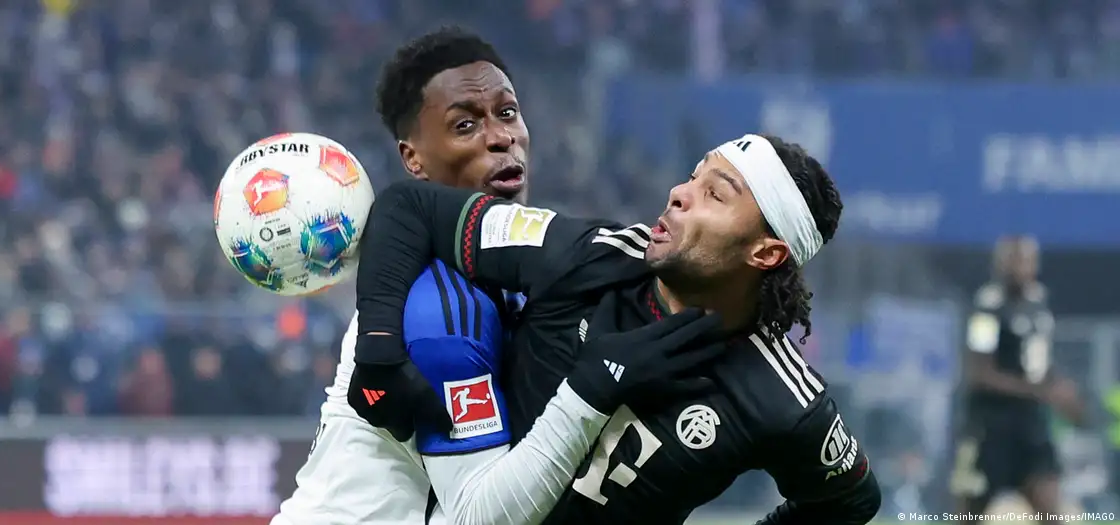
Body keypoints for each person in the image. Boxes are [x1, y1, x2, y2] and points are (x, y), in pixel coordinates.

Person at [274, 27, 715, 525]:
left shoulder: (513, 272)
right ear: (413, 159)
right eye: (465, 125)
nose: (501, 137)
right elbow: (482, 518)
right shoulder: (437, 301)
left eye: (507, 113)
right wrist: (593, 390)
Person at [351, 134, 882, 524]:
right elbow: (407, 207)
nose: (678, 193)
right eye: (693, 176)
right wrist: (377, 350)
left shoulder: (782, 398)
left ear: (765, 253)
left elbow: (851, 501)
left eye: (715, 195)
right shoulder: (594, 255)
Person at [951, 235, 1084, 524]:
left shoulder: (1039, 305)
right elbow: (980, 373)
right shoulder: (987, 309)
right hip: (990, 425)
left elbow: (1038, 362)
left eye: (1025, 260)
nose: (1019, 267)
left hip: (1030, 424)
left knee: (1051, 509)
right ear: (999, 264)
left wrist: (1062, 390)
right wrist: (1038, 391)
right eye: (1013, 260)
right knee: (969, 513)